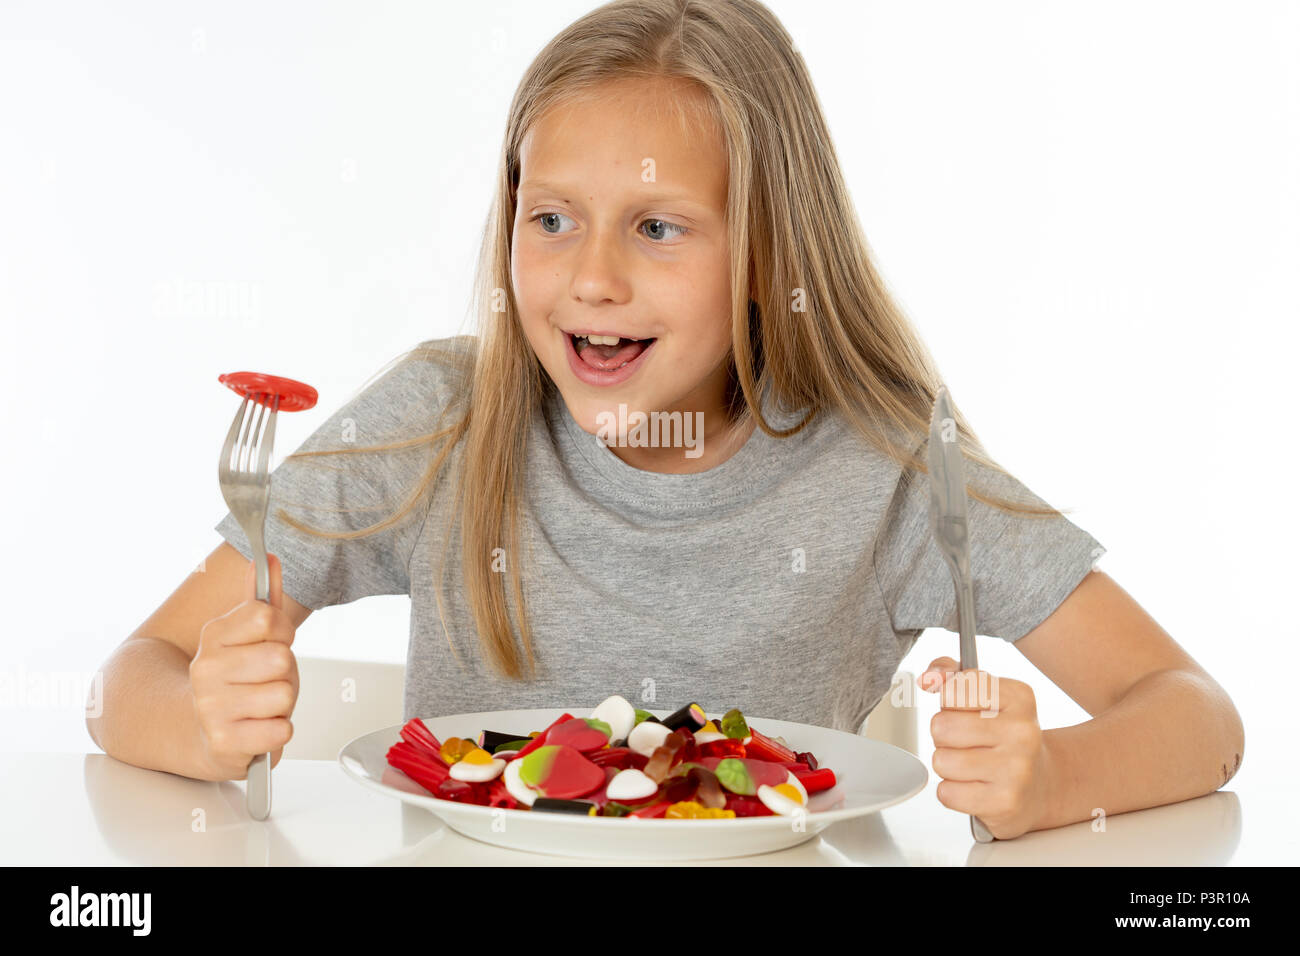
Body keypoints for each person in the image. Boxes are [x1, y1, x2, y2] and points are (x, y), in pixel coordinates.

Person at [87, 0, 1243, 840]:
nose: (589, 278)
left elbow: (1196, 716)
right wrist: (199, 723)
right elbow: (127, 676)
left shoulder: (885, 462)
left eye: (656, 226)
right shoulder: (441, 419)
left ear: (768, 256)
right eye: (549, 218)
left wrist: (1045, 782)